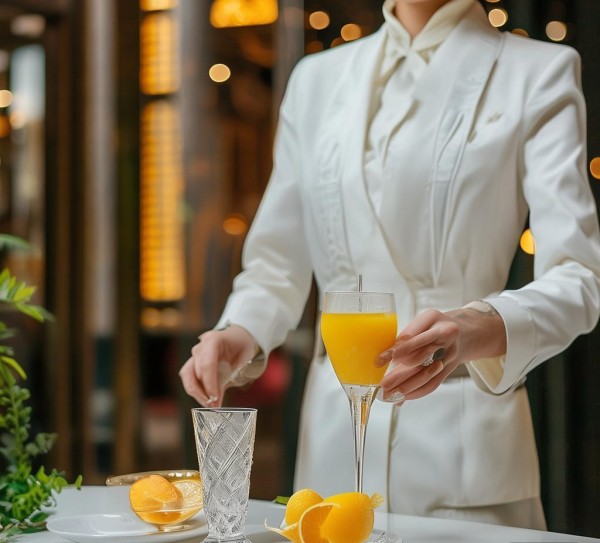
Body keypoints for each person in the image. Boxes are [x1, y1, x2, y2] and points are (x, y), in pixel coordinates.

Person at [180, 0, 600, 529]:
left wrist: (479, 324)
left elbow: (579, 277)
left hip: (464, 457)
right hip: (332, 451)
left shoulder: (537, 71)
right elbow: (275, 265)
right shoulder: (315, 79)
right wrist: (240, 331)